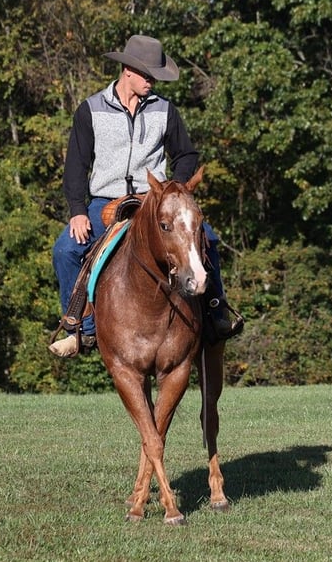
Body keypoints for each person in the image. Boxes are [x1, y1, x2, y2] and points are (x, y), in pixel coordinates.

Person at [49, 34, 238, 357]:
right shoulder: (90, 110)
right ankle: (79, 328)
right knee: (65, 250)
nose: (152, 82)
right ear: (127, 71)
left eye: (155, 76)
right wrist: (77, 210)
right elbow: (76, 166)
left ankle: (217, 311)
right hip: (104, 202)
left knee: (209, 238)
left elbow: (186, 156)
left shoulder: (165, 111)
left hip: (154, 201)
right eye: (147, 75)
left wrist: (172, 193)